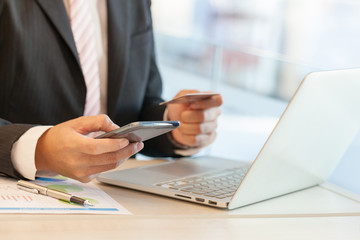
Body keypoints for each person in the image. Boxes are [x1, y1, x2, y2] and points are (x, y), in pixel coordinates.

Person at [0, 0, 222, 183]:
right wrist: (40, 150)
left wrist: (175, 126)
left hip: (116, 192)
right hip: (24, 192)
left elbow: (139, 107)